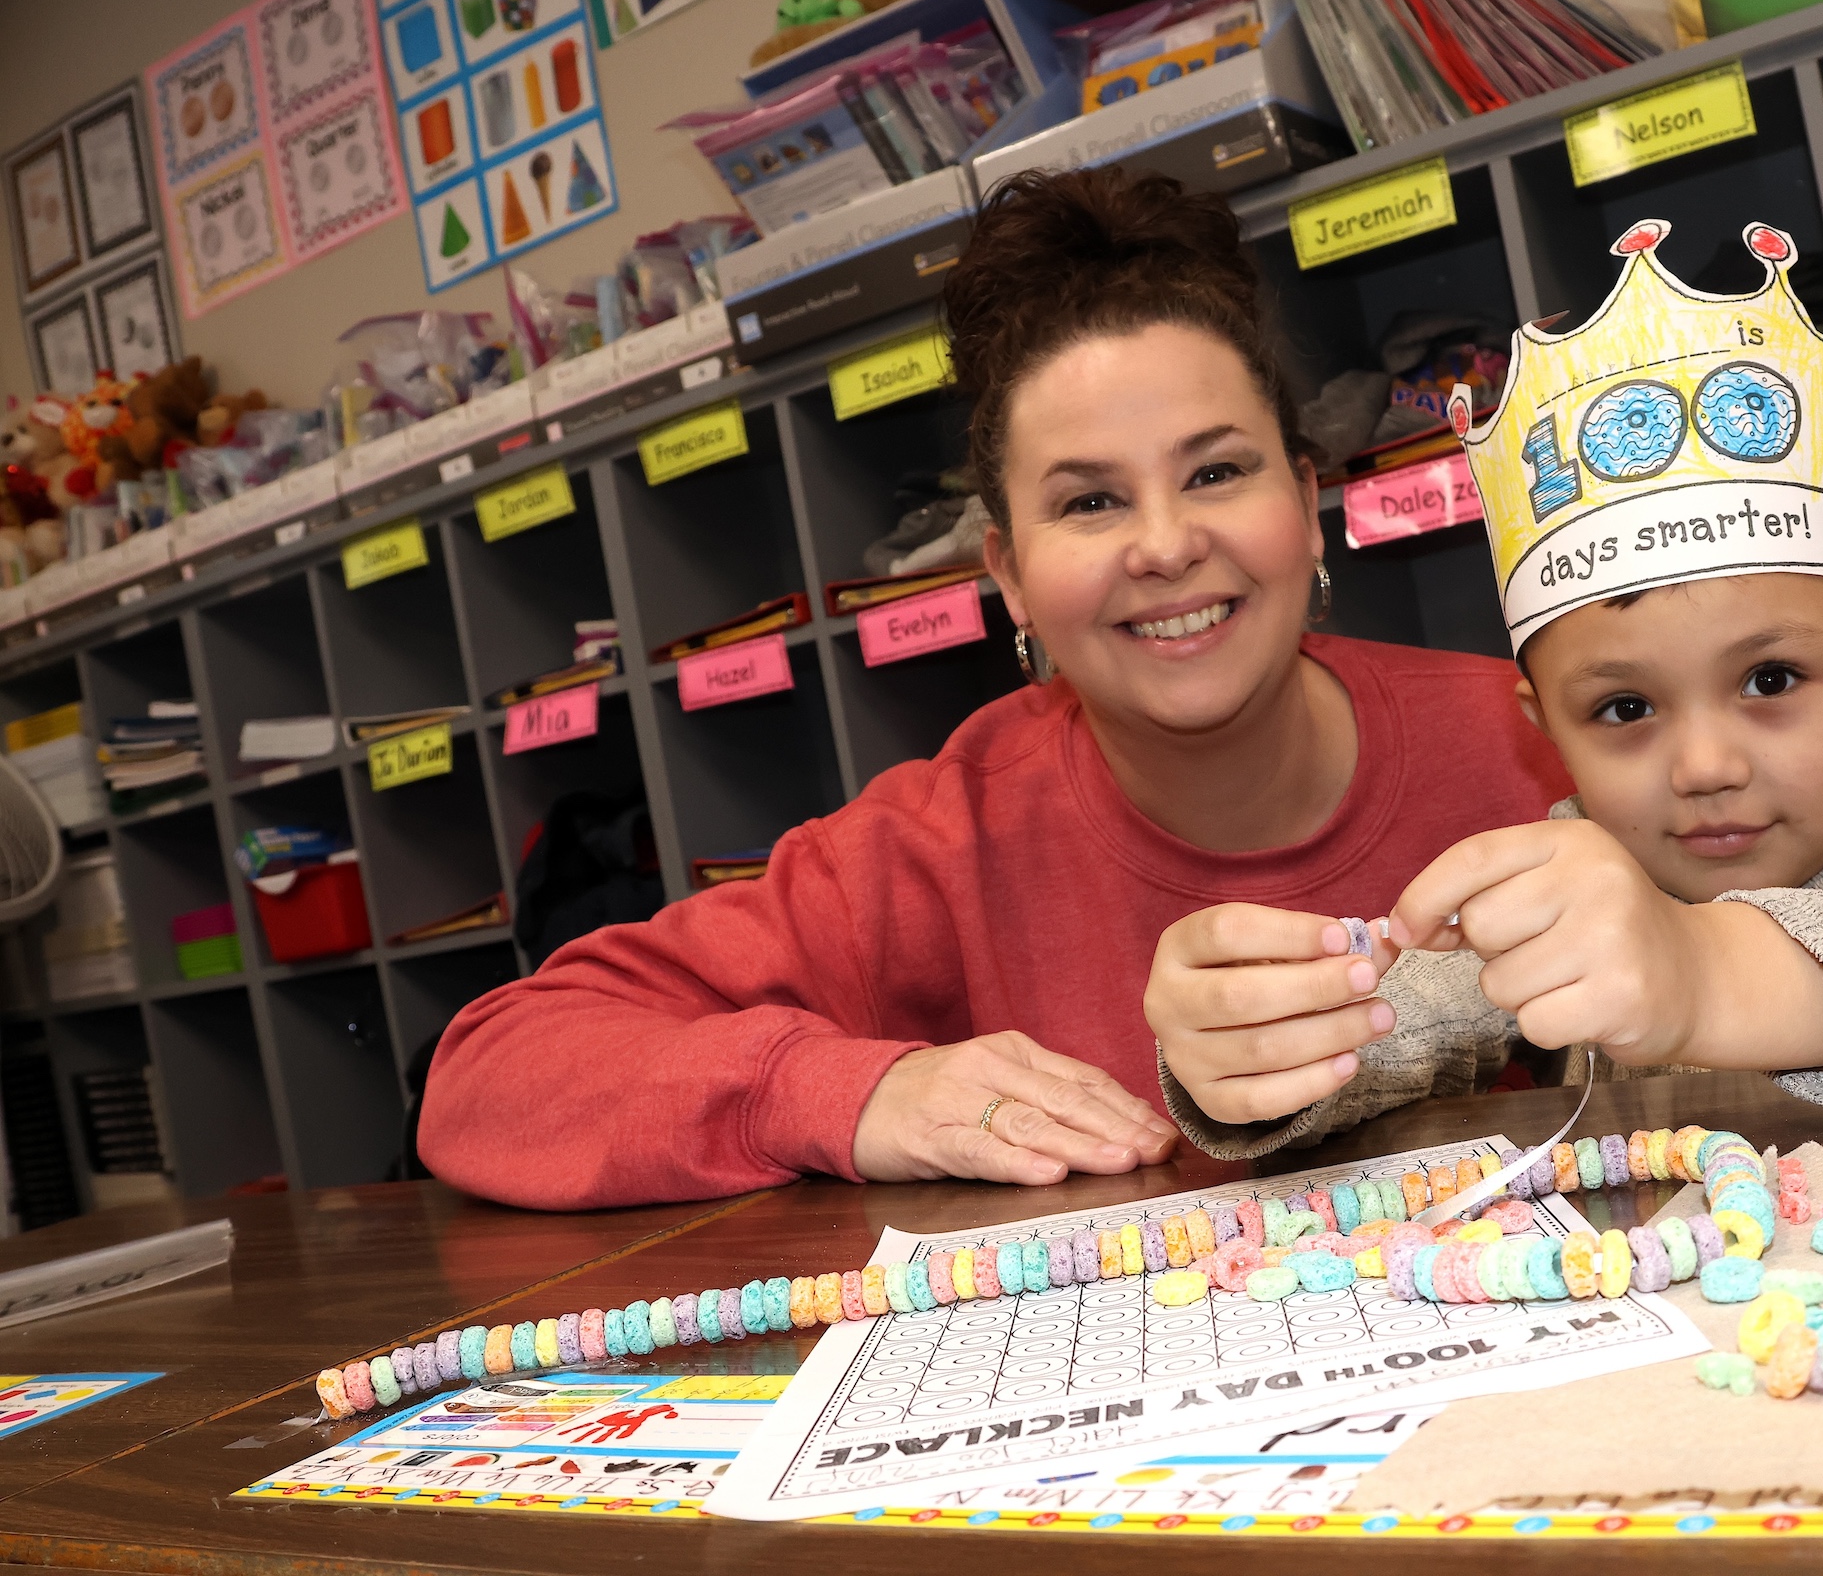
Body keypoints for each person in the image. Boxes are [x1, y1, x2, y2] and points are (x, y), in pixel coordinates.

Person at [416, 168, 1572, 1210]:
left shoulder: (1529, 742)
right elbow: (490, 1069)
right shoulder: (934, 847)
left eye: (1216, 471)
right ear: (1010, 577)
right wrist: (854, 1090)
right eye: (1088, 501)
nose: (1165, 545)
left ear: (1304, 496)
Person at [1148, 220, 1823, 1157]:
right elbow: (1402, 1032)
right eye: (1625, 709)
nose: (1707, 765)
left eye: (1772, 679)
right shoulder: (1578, 873)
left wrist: (1704, 966)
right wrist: (1274, 1050)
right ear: (1548, 727)